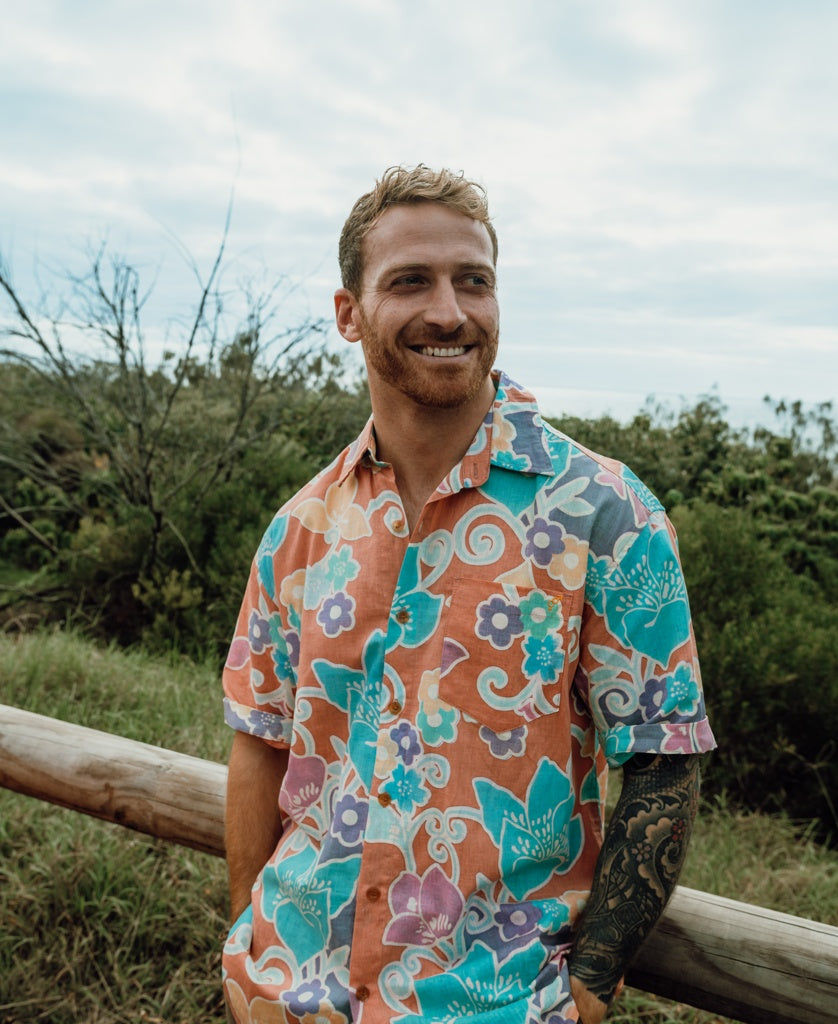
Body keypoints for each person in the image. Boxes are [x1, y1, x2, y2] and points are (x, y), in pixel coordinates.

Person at [221, 165, 716, 1024]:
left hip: (495, 1006)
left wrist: (589, 991)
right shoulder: (300, 528)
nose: (449, 311)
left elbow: (663, 764)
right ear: (348, 313)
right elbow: (262, 741)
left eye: (473, 281)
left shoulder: (606, 515)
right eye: (410, 281)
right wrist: (247, 945)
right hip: (285, 997)